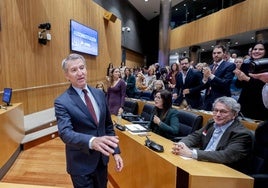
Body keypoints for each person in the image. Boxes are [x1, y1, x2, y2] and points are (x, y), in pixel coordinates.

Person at [54, 54, 123, 188]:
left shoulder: (99, 94)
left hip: (101, 162)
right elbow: (65, 133)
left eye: (82, 68)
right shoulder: (62, 102)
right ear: (66, 75)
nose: (80, 73)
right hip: (80, 165)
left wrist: (116, 152)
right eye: (74, 70)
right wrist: (92, 141)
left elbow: (107, 126)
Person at [171, 96, 253, 173]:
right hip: (203, 163)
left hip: (222, 171)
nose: (217, 115)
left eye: (223, 112)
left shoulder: (242, 134)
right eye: (215, 110)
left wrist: (191, 153)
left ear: (234, 114)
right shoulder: (211, 123)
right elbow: (195, 136)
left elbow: (226, 156)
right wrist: (181, 144)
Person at [234, 42, 268, 120]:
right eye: (255, 49)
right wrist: (239, 78)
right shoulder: (246, 65)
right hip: (245, 101)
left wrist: (247, 78)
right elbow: (238, 85)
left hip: (261, 103)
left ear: (266, 51)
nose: (256, 51)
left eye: (261, 49)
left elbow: (263, 85)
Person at [201, 45, 236, 111]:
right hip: (208, 98)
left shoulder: (229, 65)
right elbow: (206, 85)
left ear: (224, 54)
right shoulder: (210, 67)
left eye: (219, 53)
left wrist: (211, 75)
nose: (216, 55)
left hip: (221, 99)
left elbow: (226, 83)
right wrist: (205, 78)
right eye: (214, 53)